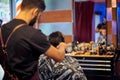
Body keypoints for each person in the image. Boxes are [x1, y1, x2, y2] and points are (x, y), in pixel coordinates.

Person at [0, 0, 66, 80]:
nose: (37, 19)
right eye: (39, 15)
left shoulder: (1, 30)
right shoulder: (33, 34)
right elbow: (59, 56)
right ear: (35, 12)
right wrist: (63, 45)